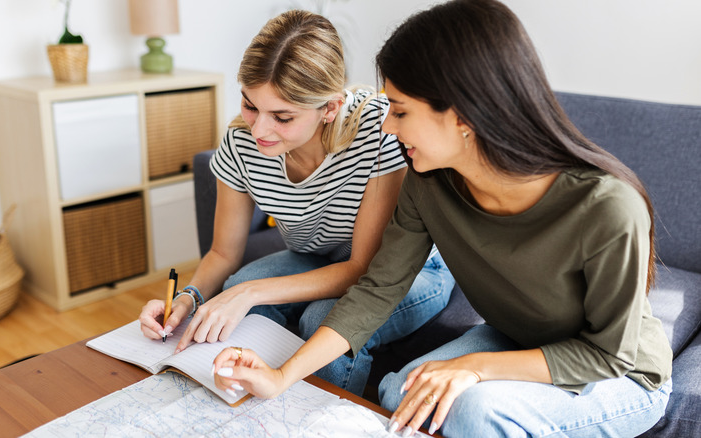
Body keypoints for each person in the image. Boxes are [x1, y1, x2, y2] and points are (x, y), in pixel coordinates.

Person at [211, 1, 673, 436]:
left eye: (400, 111)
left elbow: (609, 354)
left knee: (470, 409)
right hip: (514, 339)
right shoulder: (427, 182)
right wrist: (280, 377)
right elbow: (375, 291)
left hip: (620, 373)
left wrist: (474, 367)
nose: (387, 126)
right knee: (401, 394)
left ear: (463, 116)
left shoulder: (607, 205)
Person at [138, 10, 455, 397]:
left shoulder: (376, 132)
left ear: (330, 108)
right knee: (233, 289)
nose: (259, 130)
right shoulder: (241, 144)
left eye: (282, 117)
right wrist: (188, 299)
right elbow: (222, 253)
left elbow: (364, 269)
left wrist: (251, 292)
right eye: (250, 105)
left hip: (406, 271)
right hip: (317, 256)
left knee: (319, 317)